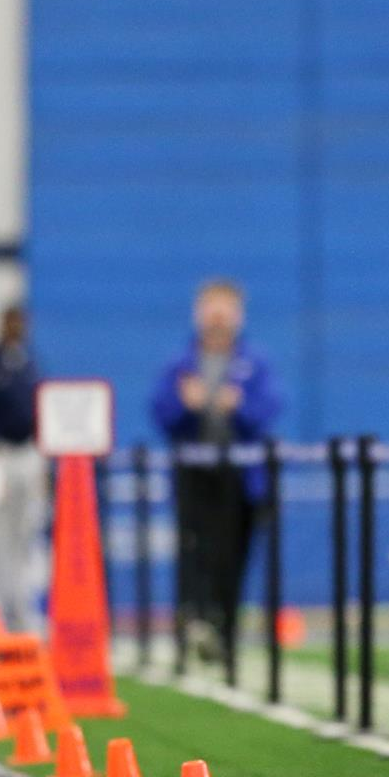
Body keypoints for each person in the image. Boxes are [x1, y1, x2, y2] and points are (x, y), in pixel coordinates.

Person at [150, 280, 283, 667]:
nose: (218, 319)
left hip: (240, 478)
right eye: (211, 310)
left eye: (225, 311)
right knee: (193, 554)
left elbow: (268, 410)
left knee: (233, 557)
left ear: (238, 317)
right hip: (193, 475)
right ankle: (191, 628)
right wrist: (185, 405)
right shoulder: (180, 364)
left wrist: (237, 407)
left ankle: (225, 636)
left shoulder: (255, 363)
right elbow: (161, 414)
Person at [0, 306, 44, 633]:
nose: (17, 328)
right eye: (12, 322)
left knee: (25, 532)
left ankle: (22, 608)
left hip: (28, 452)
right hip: (1, 452)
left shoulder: (29, 363)